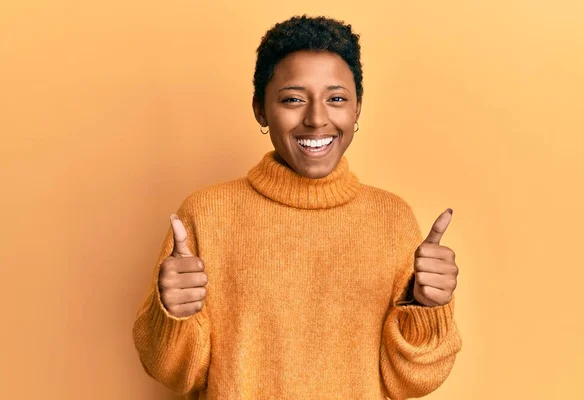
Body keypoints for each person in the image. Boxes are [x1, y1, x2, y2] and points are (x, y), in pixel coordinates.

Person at [132, 14, 462, 400]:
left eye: (336, 98)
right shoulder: (204, 214)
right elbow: (174, 373)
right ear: (260, 109)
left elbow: (409, 381)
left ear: (357, 109)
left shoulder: (392, 218)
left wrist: (426, 309)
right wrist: (174, 314)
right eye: (293, 99)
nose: (317, 119)